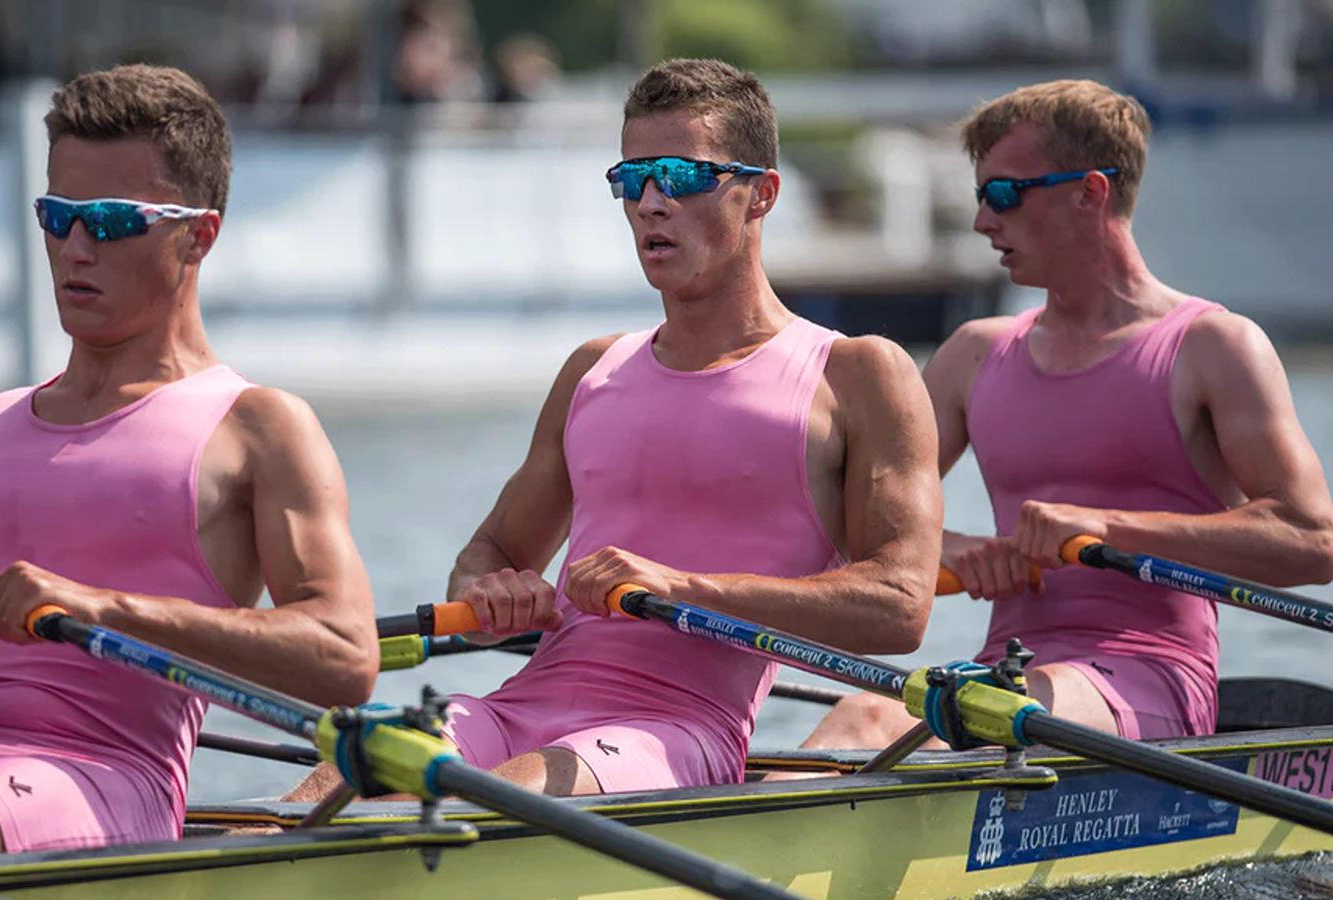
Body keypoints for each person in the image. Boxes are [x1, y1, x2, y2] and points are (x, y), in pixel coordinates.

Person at [0, 64, 380, 859]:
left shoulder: (257, 428)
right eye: (57, 216)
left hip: (105, 777)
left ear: (199, 234)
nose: (74, 248)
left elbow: (346, 656)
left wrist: (104, 609)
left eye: (111, 222)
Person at [288, 58, 942, 800]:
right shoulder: (594, 371)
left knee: (515, 791)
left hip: (673, 731)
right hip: (518, 707)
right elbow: (490, 552)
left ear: (761, 194)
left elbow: (899, 605)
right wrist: (492, 590)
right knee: (335, 782)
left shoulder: (855, 375)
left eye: (681, 176)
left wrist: (682, 586)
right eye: (631, 179)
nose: (651, 203)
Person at [800, 79, 1333, 751]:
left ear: (1090, 192)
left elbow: (1314, 541)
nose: (982, 222)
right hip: (1007, 680)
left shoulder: (1212, 349)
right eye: (980, 196)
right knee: (858, 720)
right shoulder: (971, 357)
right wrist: (947, 548)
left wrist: (1106, 528)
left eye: (1004, 194)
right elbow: (846, 522)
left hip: (1149, 678)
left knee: (976, 716)